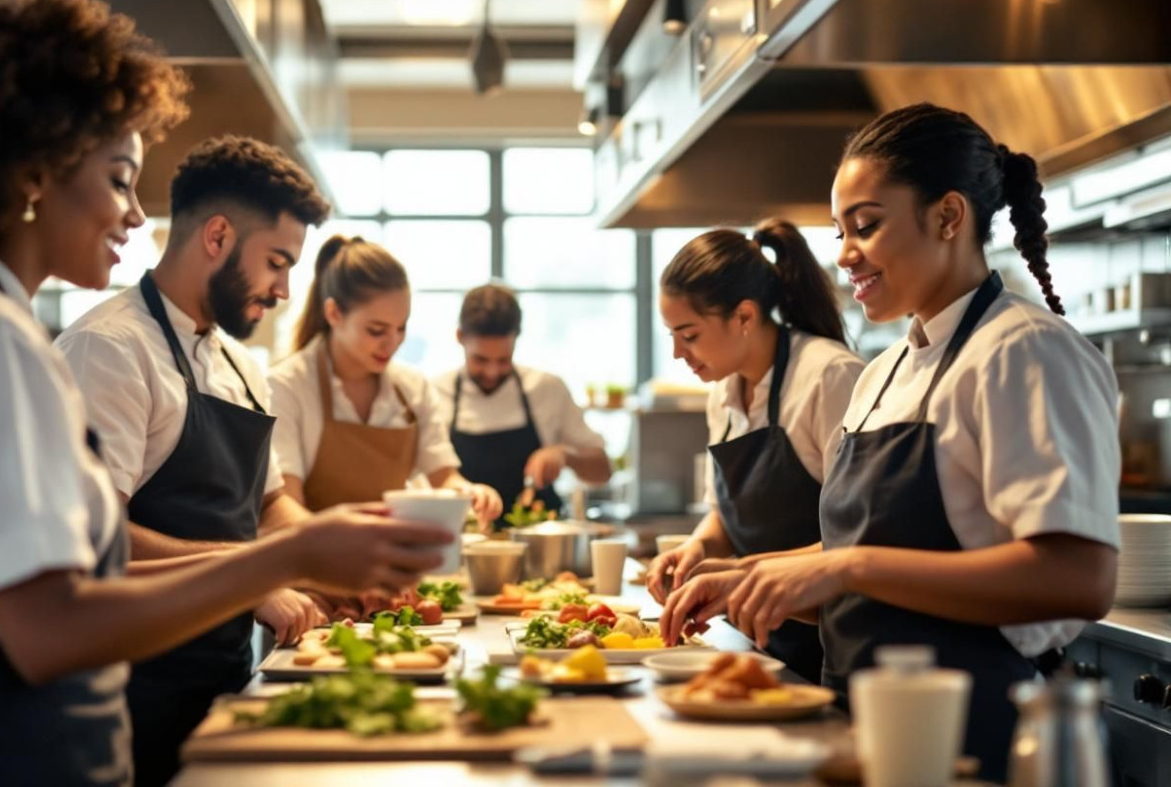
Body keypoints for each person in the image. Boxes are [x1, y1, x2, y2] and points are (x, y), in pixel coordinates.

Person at [0, 0, 452, 784]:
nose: (135, 217)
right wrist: (284, 558)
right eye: (120, 180)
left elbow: (90, 575)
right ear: (34, 175)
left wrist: (298, 556)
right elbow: (51, 628)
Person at [662, 103, 1120, 782]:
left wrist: (844, 567)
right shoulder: (886, 371)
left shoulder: (1024, 352)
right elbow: (874, 564)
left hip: (974, 739)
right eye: (841, 230)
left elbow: (1079, 578)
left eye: (866, 226)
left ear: (948, 216)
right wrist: (755, 582)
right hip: (870, 731)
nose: (844, 253)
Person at [54, 135, 337, 785]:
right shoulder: (109, 350)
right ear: (217, 236)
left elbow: (267, 505)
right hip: (133, 690)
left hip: (226, 676)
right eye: (277, 262)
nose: (285, 290)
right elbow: (99, 538)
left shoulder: (241, 360)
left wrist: (338, 553)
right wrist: (257, 578)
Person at [642, 219, 863, 683]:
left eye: (690, 334)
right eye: (672, 336)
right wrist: (697, 547)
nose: (679, 353)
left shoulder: (828, 377)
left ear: (744, 316)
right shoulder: (722, 393)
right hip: (756, 639)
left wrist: (742, 574)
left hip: (830, 645)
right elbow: (725, 514)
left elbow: (861, 539)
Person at [270, 236, 502, 526]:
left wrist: (470, 493)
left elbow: (443, 477)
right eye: (377, 330)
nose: (392, 344)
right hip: (313, 561)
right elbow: (285, 505)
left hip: (392, 560)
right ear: (333, 314)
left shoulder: (411, 389)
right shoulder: (286, 388)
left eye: (401, 328)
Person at [434, 284, 611, 524]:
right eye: (480, 359)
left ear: (516, 340)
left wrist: (565, 454)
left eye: (503, 360)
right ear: (459, 337)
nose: (492, 371)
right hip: (466, 538)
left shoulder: (547, 388)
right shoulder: (435, 394)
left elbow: (603, 471)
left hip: (540, 543)